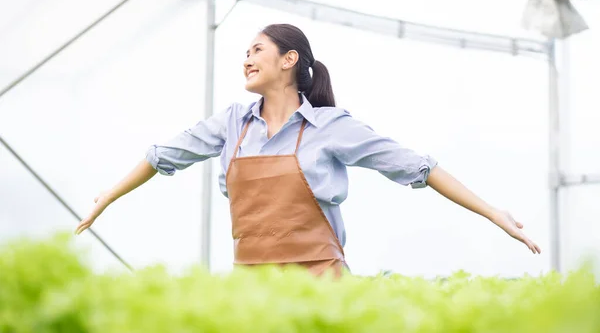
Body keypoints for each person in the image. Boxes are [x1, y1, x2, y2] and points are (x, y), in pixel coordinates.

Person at [75, 23, 541, 277]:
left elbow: (417, 167)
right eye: (245, 53)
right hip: (251, 282)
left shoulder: (332, 127)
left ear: (289, 59)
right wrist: (107, 197)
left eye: (257, 50)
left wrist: (492, 212)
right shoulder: (233, 123)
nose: (247, 59)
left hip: (320, 282)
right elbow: (162, 155)